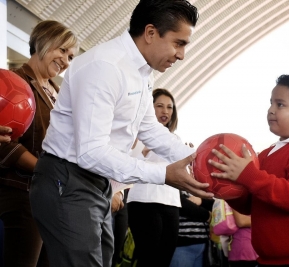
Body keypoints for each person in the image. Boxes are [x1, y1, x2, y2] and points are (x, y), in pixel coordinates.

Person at [29, 1, 212, 267]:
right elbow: (91, 152)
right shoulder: (105, 67)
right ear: (150, 33)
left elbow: (149, 129)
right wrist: (163, 175)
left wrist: (200, 159)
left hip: (97, 182)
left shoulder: (142, 73)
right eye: (178, 43)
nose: (182, 54)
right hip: (68, 180)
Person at [209, 74, 289, 266]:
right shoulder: (266, 154)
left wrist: (247, 174)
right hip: (268, 260)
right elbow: (251, 205)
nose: (271, 110)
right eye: (271, 103)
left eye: (280, 104)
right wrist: (226, 186)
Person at [0, 20, 78, 267]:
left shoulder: (59, 94)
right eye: (63, 50)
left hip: (52, 198)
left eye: (71, 56)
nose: (66, 61)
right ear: (44, 41)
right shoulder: (13, 83)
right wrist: (48, 171)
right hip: (23, 194)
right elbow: (4, 142)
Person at [126, 88, 183, 267]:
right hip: (144, 201)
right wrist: (144, 150)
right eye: (159, 106)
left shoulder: (175, 139)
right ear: (149, 108)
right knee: (148, 258)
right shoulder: (136, 133)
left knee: (164, 259)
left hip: (171, 203)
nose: (165, 111)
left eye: (169, 107)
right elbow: (124, 165)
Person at [169, 191, 215, 267]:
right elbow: (183, 205)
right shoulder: (175, 185)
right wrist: (207, 215)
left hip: (203, 243)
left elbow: (214, 205)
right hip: (182, 243)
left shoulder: (200, 187)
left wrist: (201, 201)